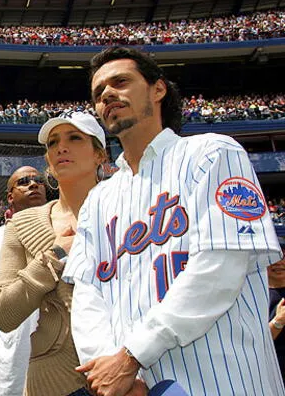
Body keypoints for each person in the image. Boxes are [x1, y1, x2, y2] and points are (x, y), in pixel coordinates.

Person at [63, 46, 285, 396]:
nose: (107, 94)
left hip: (224, 380)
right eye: (98, 92)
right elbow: (87, 295)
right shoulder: (98, 199)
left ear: (158, 89)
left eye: (120, 81)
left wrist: (132, 355)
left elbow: (219, 267)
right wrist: (110, 369)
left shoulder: (213, 153)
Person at [0, 111, 108, 396]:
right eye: (53, 142)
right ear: (48, 163)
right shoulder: (22, 224)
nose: (60, 147)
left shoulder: (131, 212)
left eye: (74, 138)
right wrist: (53, 257)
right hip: (53, 380)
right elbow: (3, 313)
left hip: (126, 371)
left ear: (99, 155)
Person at [0, 166, 47, 396]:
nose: (33, 184)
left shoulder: (67, 231)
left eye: (39, 180)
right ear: (10, 197)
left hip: (64, 366)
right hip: (12, 370)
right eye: (24, 181)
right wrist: (14, 336)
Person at [268, 239, 285, 382]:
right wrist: (278, 322)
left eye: (283, 256)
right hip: (270, 378)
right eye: (274, 257)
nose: (279, 262)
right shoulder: (250, 296)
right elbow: (255, 345)